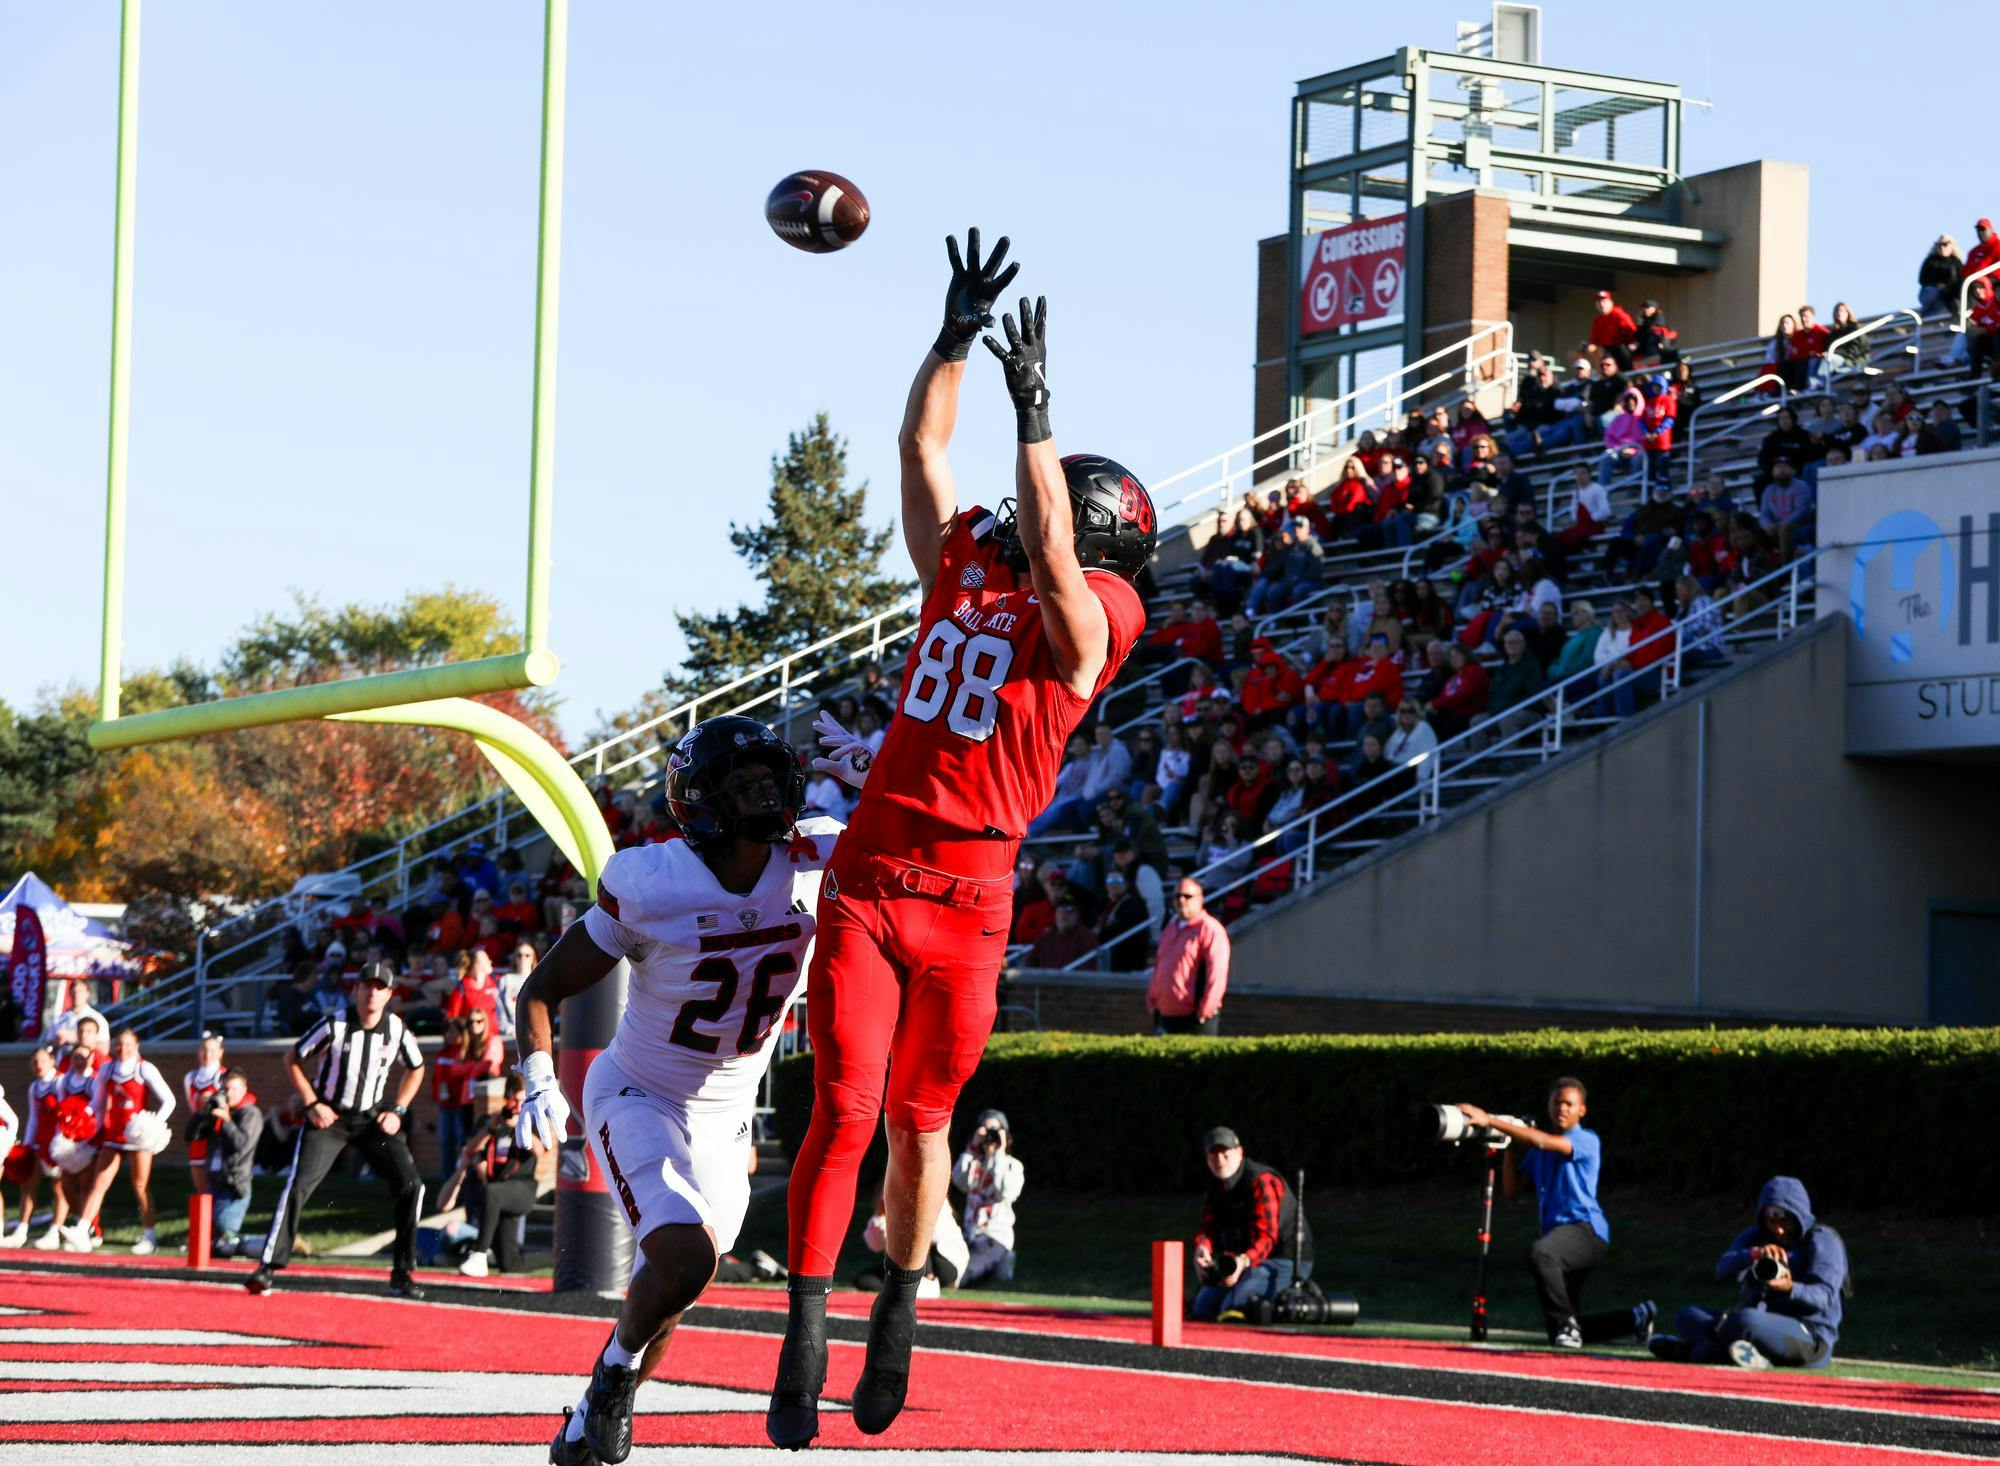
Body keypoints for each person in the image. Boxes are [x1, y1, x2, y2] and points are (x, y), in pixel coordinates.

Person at [770, 233, 1155, 1450]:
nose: (993, 531)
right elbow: (919, 451)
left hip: (970, 893)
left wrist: (1033, 411)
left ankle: (897, 1295)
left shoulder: (1100, 614)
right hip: (877, 870)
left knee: (919, 1120)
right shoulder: (963, 570)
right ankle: (805, 1314)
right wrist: (948, 343)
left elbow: (1049, 561)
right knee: (838, 1109)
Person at [518, 715, 839, 1466]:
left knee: (673, 1286)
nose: (764, 791)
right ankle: (614, 1376)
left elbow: (919, 853)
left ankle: (588, 1416)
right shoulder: (652, 883)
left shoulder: (817, 850)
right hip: (641, 1093)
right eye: (743, 782)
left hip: (728, 1115)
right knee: (685, 1263)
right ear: (700, 804)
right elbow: (542, 989)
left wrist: (882, 779)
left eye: (769, 777)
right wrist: (537, 1075)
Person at [248, 963, 428, 1297]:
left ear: (389, 995)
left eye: (379, 988)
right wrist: (312, 1102)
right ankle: (268, 1266)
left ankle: (403, 1272)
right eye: (366, 986)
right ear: (356, 990)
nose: (372, 993)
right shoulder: (335, 1024)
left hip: (372, 1119)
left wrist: (398, 1109)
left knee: (412, 1186)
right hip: (330, 1118)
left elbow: (416, 1068)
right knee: (298, 1185)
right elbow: (293, 1058)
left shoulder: (396, 1029)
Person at [1455, 1079, 1654, 1349]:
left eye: (1569, 1104)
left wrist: (1489, 1119)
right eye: (1556, 1102)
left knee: (1543, 1255)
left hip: (1586, 1231)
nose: (1562, 1108)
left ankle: (1566, 1325)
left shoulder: (1586, 1139)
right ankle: (1635, 1319)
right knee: (1562, 1327)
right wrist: (1510, 1147)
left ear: (1581, 1110)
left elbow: (1542, 1140)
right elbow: (1512, 1189)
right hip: (1559, 1236)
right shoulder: (1539, 1150)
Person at [1650, 1176, 1849, 1370]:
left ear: (1799, 1218)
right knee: (1686, 1315)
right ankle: (1745, 1353)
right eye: (1772, 1220)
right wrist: (1753, 1254)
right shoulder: (1757, 1236)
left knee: (1744, 1320)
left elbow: (1823, 1297)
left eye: (1785, 1221)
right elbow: (1722, 1270)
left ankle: (1689, 1351)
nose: (1778, 1229)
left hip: (1808, 1337)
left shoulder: (1822, 1240)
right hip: (1755, 1323)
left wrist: (1790, 1288)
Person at [66, 1028, 175, 1254]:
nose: (122, 1049)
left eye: (127, 1045)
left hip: (138, 1136)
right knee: (100, 1182)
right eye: (119, 1044)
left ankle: (149, 1235)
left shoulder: (144, 1068)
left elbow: (169, 1100)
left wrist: (151, 1123)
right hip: (114, 1134)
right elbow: (97, 1101)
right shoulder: (106, 1069)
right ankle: (82, 1230)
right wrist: (83, 1116)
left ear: (136, 1046)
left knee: (140, 1185)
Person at [1189, 1127, 1313, 1322]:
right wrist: (1202, 1248)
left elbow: (1267, 1237)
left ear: (1239, 1153)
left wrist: (1243, 1261)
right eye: (1213, 1155)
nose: (1219, 1160)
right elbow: (1208, 1227)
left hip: (1282, 1260)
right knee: (1202, 1307)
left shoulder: (1260, 1181)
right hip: (1243, 1262)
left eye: (1225, 1153)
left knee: (1233, 1307)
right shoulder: (1217, 1187)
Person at [456, 1074, 537, 1278]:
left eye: (521, 1101)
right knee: (510, 1263)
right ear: (506, 1098)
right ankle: (555, 1258)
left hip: (522, 1187)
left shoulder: (530, 1119)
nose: (517, 1106)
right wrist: (491, 1127)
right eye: (514, 1100)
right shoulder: (490, 1120)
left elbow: (540, 1151)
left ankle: (480, 1254)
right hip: (497, 1192)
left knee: (492, 1192)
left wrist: (520, 1125)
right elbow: (470, 1150)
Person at [191, 1067, 263, 1257]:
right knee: (204, 1243)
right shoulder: (217, 1110)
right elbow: (191, 1136)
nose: (229, 1094)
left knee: (224, 1242)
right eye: (226, 1089)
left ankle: (271, 1244)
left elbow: (242, 1145)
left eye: (234, 1089)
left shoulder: (251, 1114)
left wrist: (227, 1121)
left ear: (244, 1089)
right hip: (214, 1184)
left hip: (234, 1187)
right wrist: (202, 1111)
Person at [1146, 877, 1230, 1035]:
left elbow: (1217, 973)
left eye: (1187, 896)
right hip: (1165, 1016)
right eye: (1177, 896)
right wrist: (1152, 999)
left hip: (1194, 1019)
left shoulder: (1210, 929)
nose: (1181, 900)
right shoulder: (1170, 929)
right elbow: (1158, 966)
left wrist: (1206, 1009)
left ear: (1200, 899)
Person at [952, 1109, 1024, 1286]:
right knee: (948, 1266)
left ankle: (1001, 1261)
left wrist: (998, 1154)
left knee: (961, 1276)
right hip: (969, 1235)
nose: (990, 1135)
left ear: (1005, 1135)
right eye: (985, 1130)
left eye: (995, 1131)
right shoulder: (974, 1163)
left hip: (994, 1237)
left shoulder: (1012, 1166)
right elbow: (958, 1181)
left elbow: (1004, 1192)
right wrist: (972, 1147)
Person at [183, 1030, 226, 1202]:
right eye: (204, 1049)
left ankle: (217, 1223)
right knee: (201, 1188)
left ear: (221, 1052)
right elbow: (192, 1109)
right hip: (200, 1135)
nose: (208, 1054)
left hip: (218, 1136)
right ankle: (204, 1222)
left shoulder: (224, 1076)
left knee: (217, 1182)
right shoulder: (190, 1078)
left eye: (213, 1050)